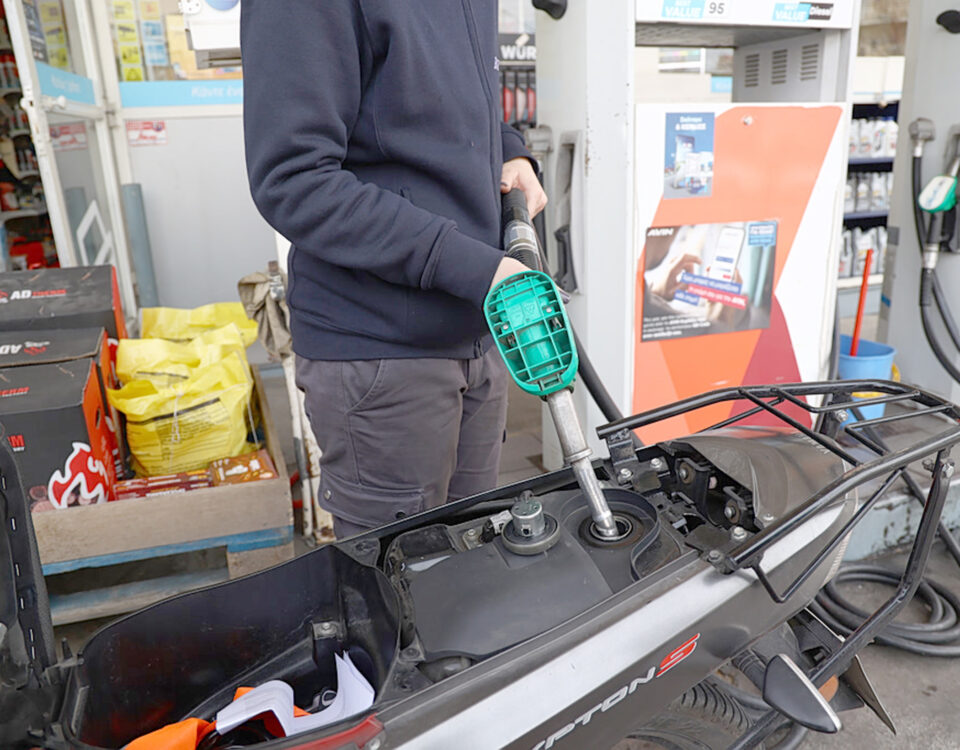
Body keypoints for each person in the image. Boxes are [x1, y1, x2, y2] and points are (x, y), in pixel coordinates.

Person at [241, 1, 547, 538]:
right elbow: (294, 180)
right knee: (402, 579)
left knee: (478, 562)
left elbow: (443, 105)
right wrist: (474, 268)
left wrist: (509, 149)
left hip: (476, 331)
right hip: (381, 349)